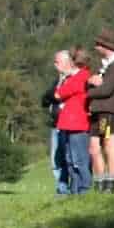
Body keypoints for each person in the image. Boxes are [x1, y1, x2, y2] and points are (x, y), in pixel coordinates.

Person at [85, 28, 114, 193]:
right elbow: (95, 84)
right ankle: (100, 180)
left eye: (98, 44)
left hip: (109, 110)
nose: (96, 47)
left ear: (106, 46)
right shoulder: (104, 65)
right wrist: (91, 82)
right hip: (97, 110)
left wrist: (87, 92)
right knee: (94, 146)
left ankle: (111, 181)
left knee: (108, 142)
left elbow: (106, 89)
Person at [53, 48, 94, 195]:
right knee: (70, 160)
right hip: (69, 124)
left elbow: (58, 94)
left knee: (79, 159)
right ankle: (76, 189)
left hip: (77, 124)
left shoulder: (81, 77)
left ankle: (85, 188)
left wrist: (63, 80)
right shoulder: (77, 77)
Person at [41, 52, 69, 195]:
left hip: (67, 123)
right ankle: (61, 187)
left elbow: (57, 95)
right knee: (55, 160)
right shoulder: (57, 80)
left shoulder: (70, 78)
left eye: (57, 61)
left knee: (67, 156)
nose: (55, 64)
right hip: (55, 124)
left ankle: (68, 187)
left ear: (66, 62)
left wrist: (53, 96)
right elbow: (45, 98)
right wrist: (52, 96)